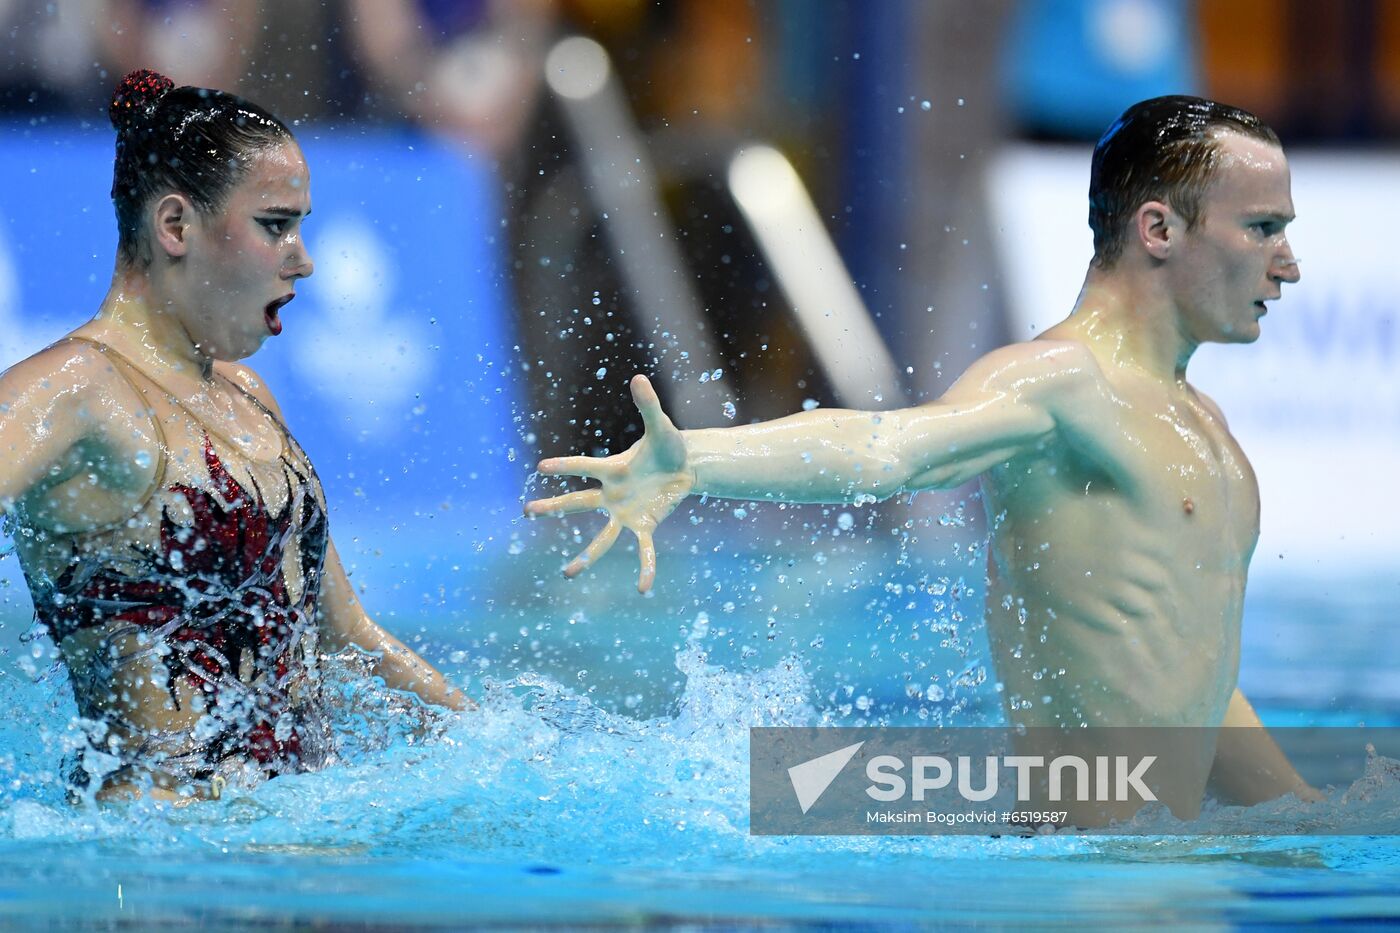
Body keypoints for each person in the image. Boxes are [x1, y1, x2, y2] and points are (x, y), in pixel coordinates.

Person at [526, 96, 1322, 825]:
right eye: (1261, 229)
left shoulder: (1203, 424)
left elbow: (1194, 675)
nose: (1286, 264)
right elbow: (886, 449)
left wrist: (1312, 822)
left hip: (1167, 872)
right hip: (1080, 884)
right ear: (1159, 230)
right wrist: (696, 459)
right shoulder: (1060, 382)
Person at [0, 70, 468, 803]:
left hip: (288, 841)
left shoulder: (247, 395)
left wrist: (503, 746)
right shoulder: (76, 389)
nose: (304, 258)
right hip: (158, 870)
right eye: (276, 225)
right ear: (176, 226)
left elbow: (349, 639)